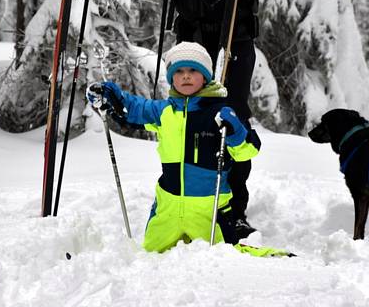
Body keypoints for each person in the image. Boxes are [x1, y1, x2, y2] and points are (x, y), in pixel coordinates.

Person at [78, 0, 287, 238]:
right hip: (190, 44)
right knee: (186, 123)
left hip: (232, 41)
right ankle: (183, 201)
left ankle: (230, 209)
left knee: (229, 124)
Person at [86, 41, 258, 252]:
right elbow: (135, 109)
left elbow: (247, 152)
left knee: (222, 258)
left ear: (205, 76)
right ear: (171, 78)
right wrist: (112, 97)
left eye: (193, 70)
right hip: (168, 209)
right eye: (179, 71)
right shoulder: (164, 111)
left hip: (209, 213)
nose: (186, 76)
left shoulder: (219, 113)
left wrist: (235, 132)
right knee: (148, 259)